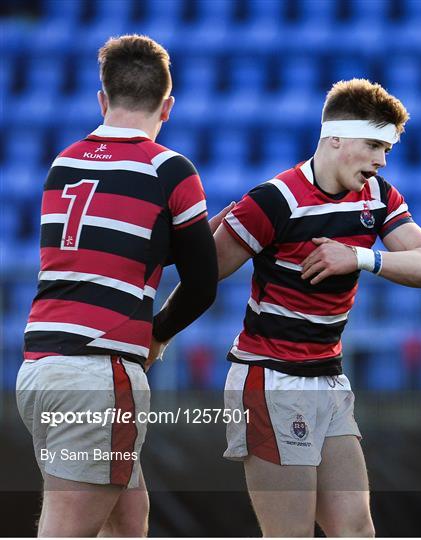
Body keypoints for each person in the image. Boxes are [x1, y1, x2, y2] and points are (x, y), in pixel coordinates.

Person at [214, 79, 421, 537]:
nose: (381, 160)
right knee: (290, 534)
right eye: (375, 145)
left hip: (327, 376)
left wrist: (358, 256)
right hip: (271, 378)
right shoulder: (275, 199)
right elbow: (208, 271)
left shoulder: (377, 196)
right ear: (335, 137)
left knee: (356, 531)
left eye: (387, 149)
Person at [16, 34, 221, 537]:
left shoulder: (64, 162)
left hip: (40, 369)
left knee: (129, 522)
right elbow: (201, 285)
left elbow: (115, 248)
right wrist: (158, 335)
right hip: (98, 375)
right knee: (68, 530)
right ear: (167, 106)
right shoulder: (168, 168)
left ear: (102, 100)